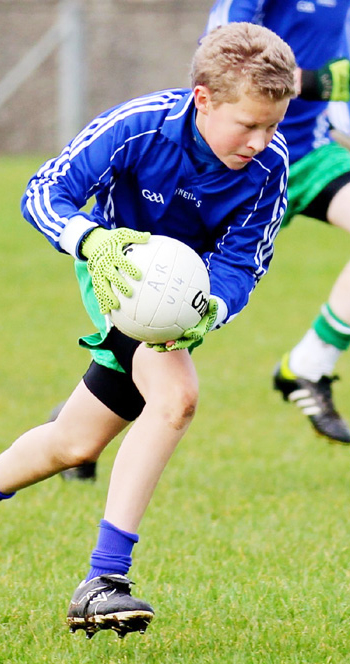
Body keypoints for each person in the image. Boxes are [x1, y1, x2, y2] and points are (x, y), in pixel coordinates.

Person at [0, 23, 296, 638]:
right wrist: (93, 241)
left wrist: (209, 310)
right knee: (176, 399)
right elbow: (45, 192)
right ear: (202, 99)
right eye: (248, 125)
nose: (261, 140)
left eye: (272, 125)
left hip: (181, 300)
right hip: (117, 276)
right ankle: (106, 579)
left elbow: (243, 262)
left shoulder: (270, 166)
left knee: (74, 444)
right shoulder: (138, 126)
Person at [205, 1, 350, 446]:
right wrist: (308, 82)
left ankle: (309, 364)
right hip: (236, 161)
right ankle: (75, 428)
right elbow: (220, 52)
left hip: (308, 156)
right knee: (163, 318)